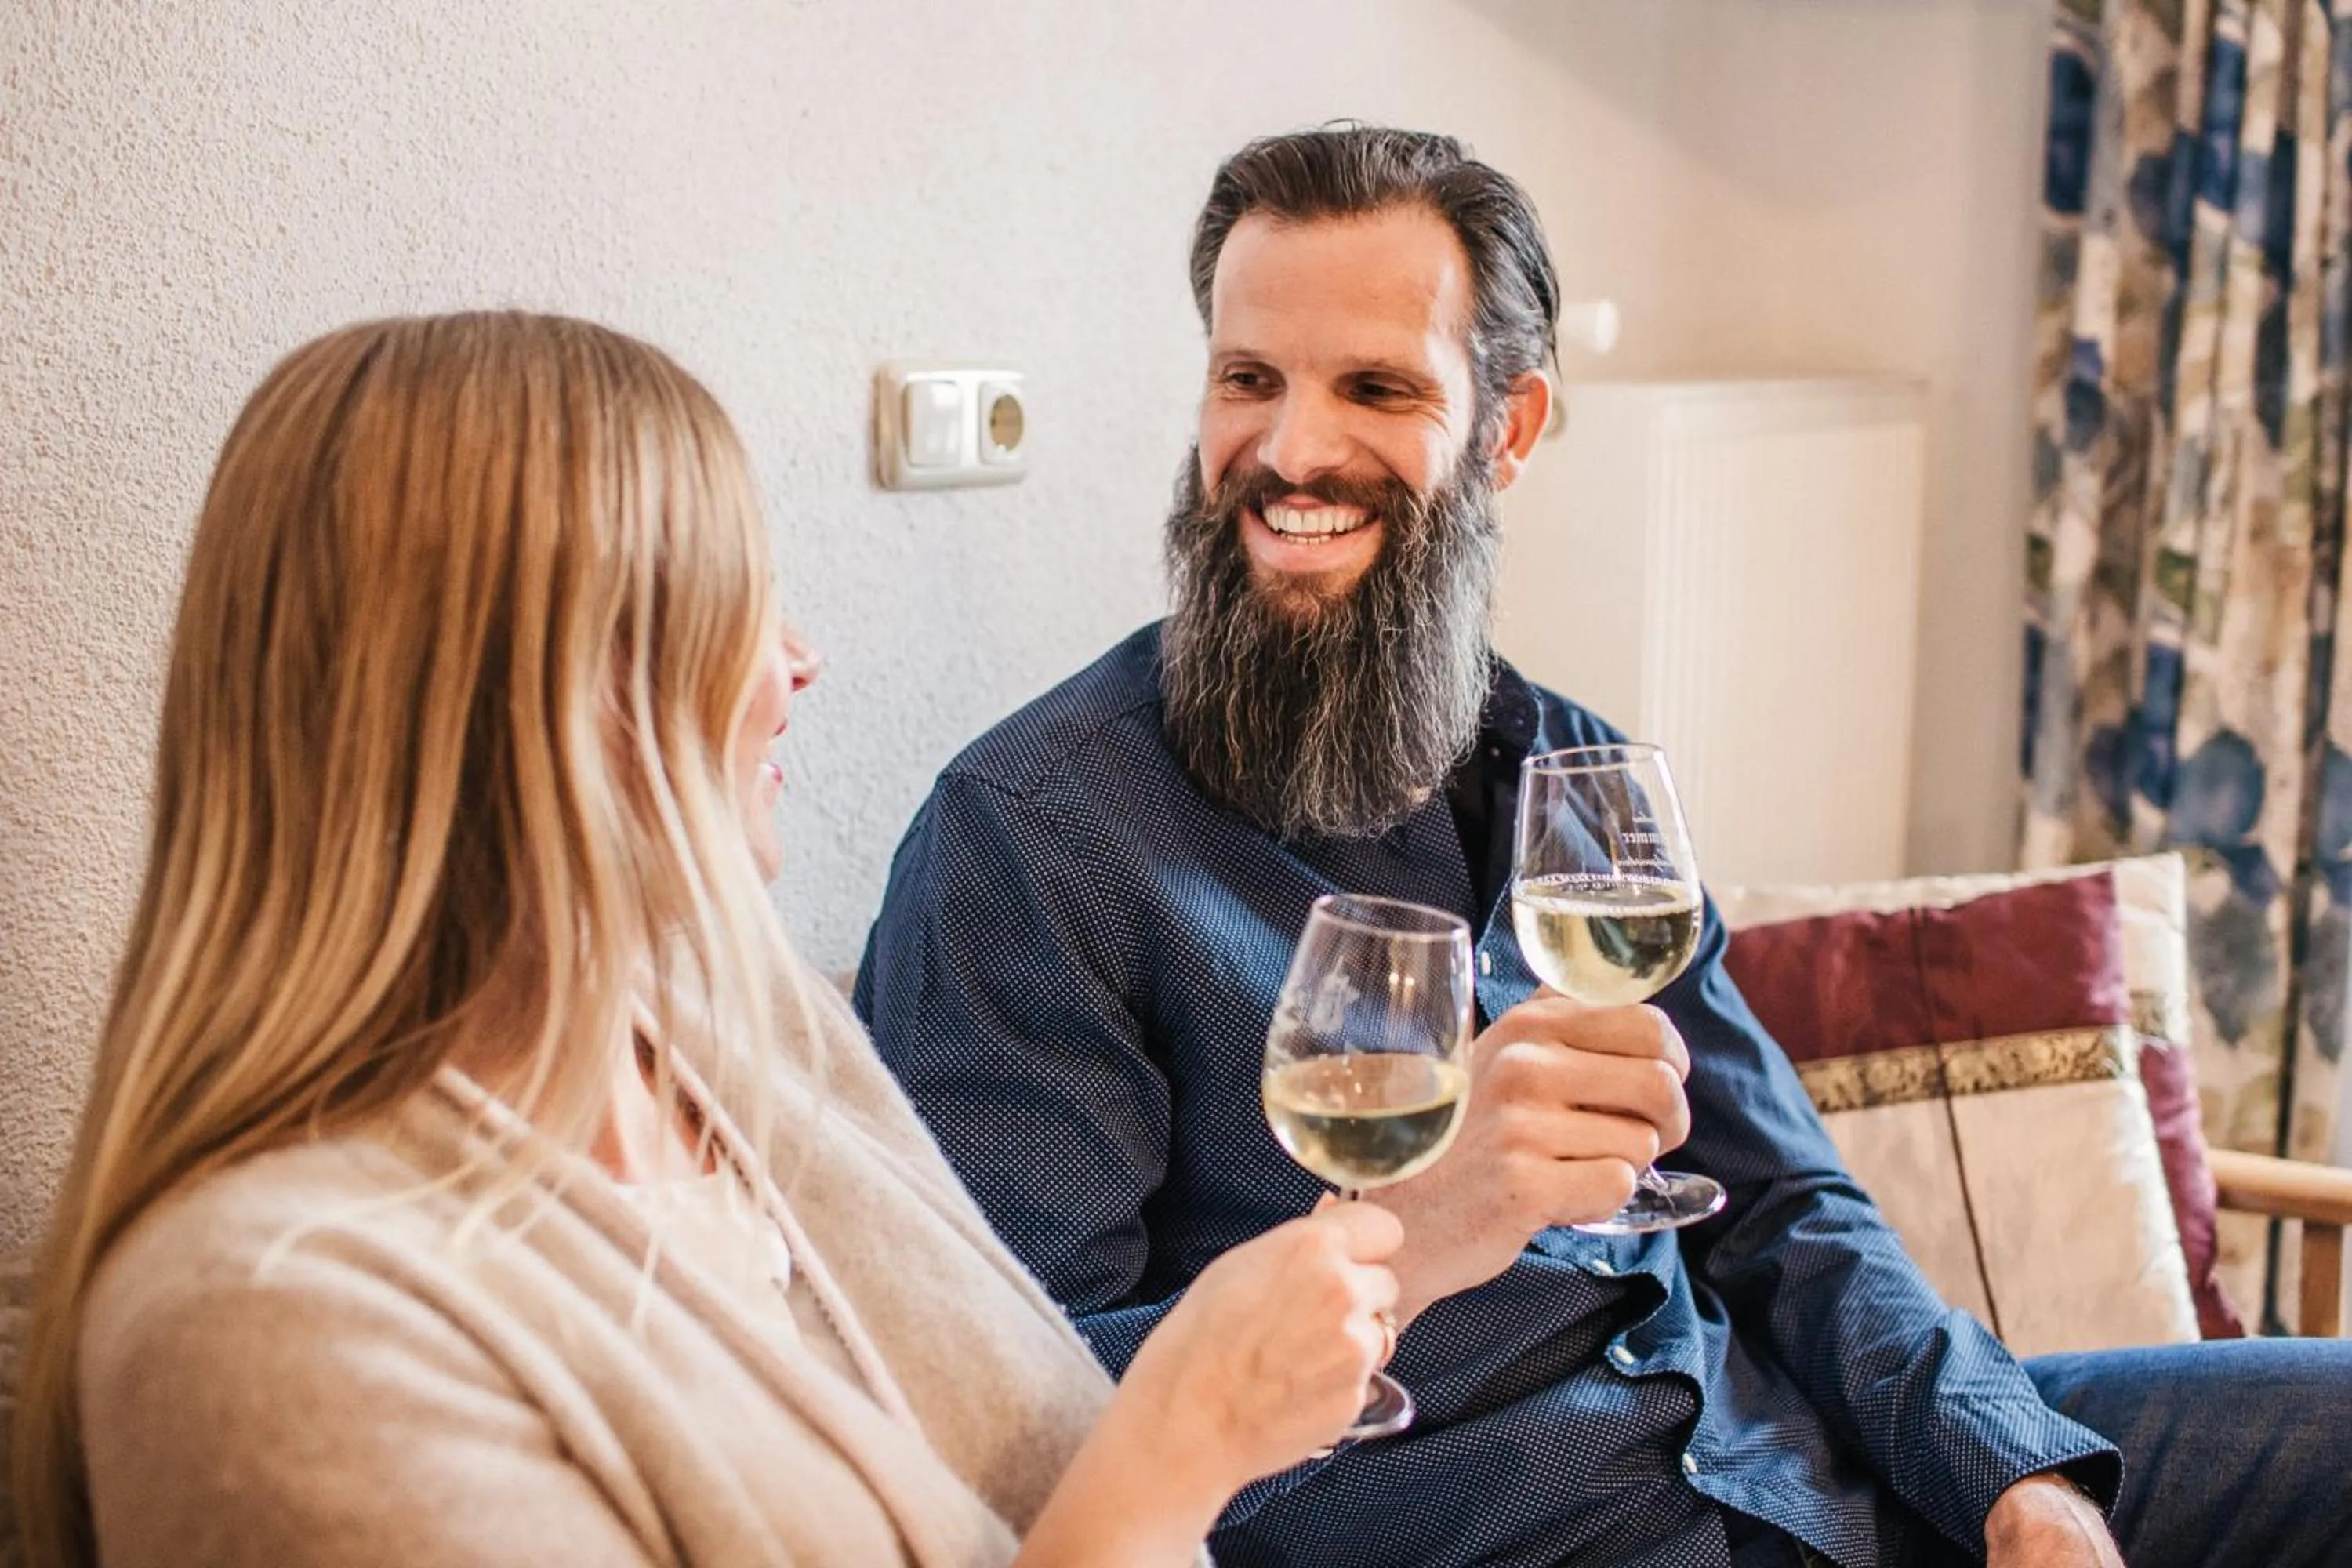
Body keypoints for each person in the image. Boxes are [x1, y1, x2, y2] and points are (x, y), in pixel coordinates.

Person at [857, 127, 2352, 1568]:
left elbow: (1780, 1203)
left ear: (1507, 428)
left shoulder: (1566, 777)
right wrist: (1416, 1233)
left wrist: (2011, 1473)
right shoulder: (1031, 844)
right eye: (1250, 379)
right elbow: (1010, 1422)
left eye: (1374, 386)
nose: (1291, 450)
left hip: (1796, 1464)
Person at [4, 311, 1406, 1568]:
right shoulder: (263, 1338)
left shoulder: (743, 1024)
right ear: (552, 692)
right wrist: (1181, 1448)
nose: (797, 660)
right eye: (736, 600)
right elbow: (1115, 1489)